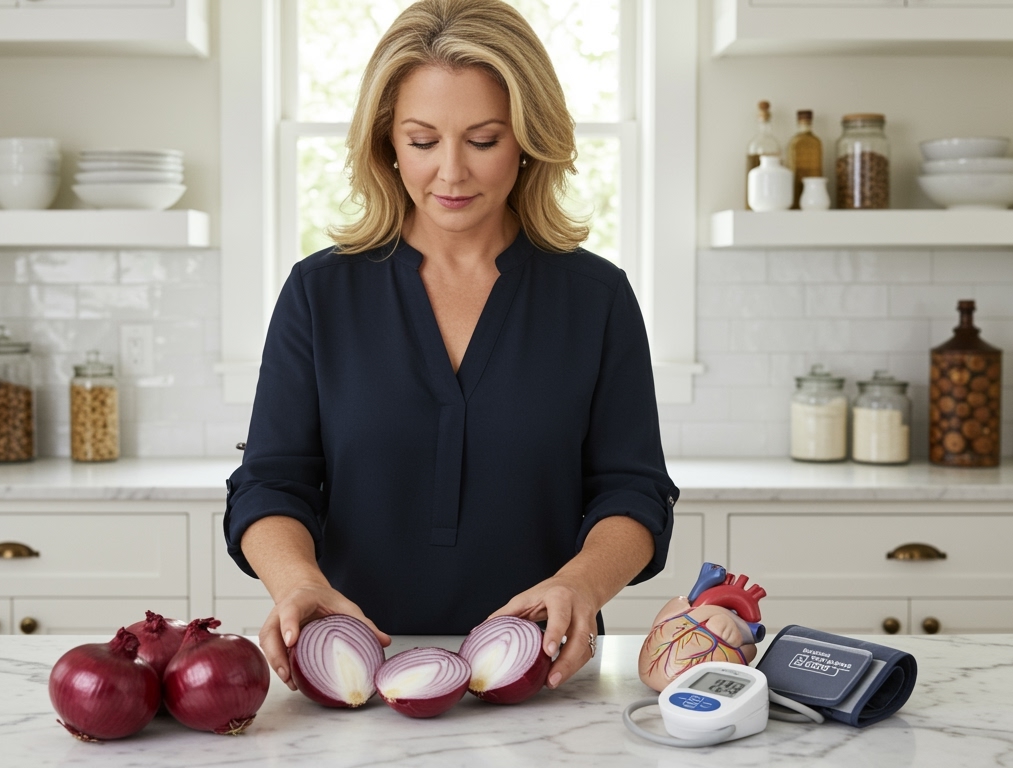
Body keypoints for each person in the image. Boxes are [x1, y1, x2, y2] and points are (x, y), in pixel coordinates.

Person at [225, 0, 684, 693]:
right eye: (422, 140)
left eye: (483, 139)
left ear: (529, 137)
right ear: (386, 141)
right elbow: (270, 482)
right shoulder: (320, 293)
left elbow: (634, 490)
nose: (451, 173)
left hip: (543, 678)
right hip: (354, 680)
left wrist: (580, 585)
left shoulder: (597, 298)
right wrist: (297, 584)